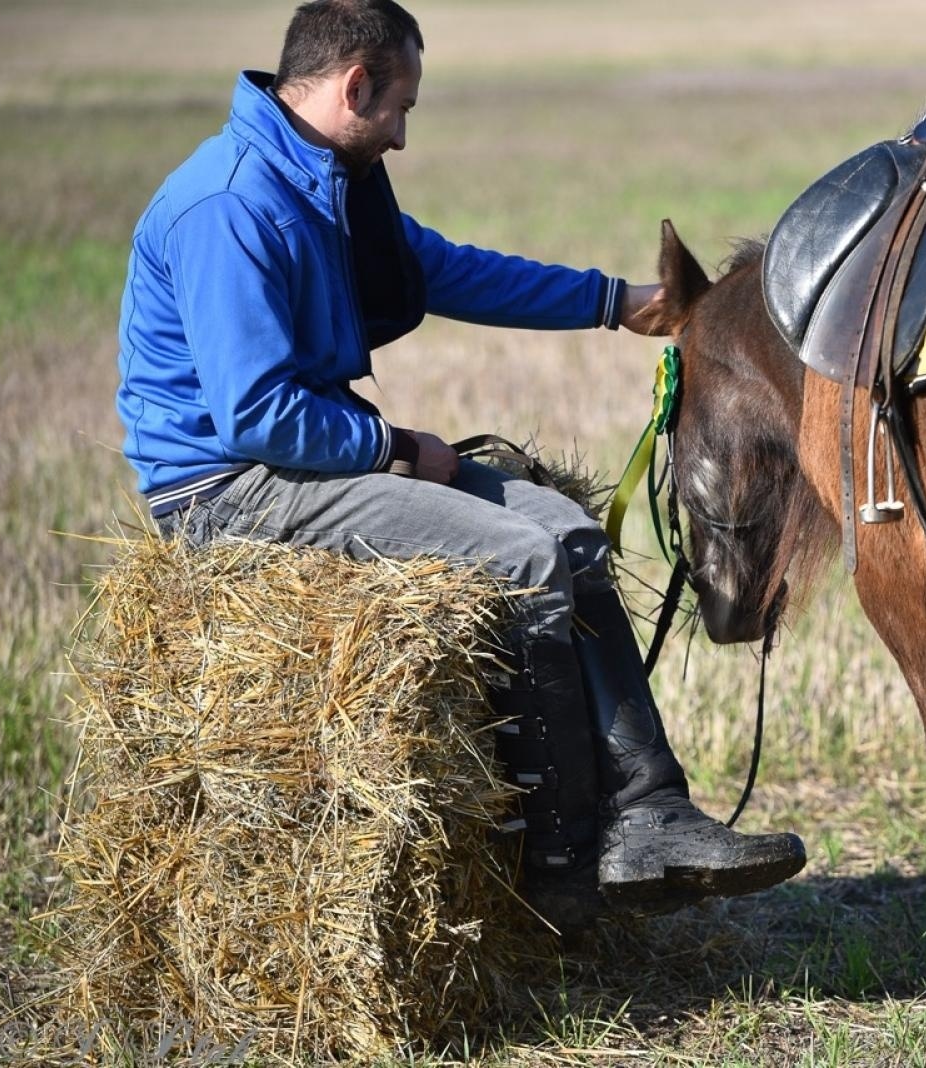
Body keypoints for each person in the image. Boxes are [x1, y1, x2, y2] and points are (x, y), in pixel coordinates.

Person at [115, 0, 805, 927]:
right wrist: (399, 450)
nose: (401, 136)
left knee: (566, 533)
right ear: (354, 85)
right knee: (522, 559)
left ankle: (651, 813)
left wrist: (614, 303)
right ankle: (561, 871)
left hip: (303, 456)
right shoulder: (233, 204)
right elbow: (255, 419)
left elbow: (445, 270)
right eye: (399, 107)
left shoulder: (318, 179)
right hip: (226, 488)